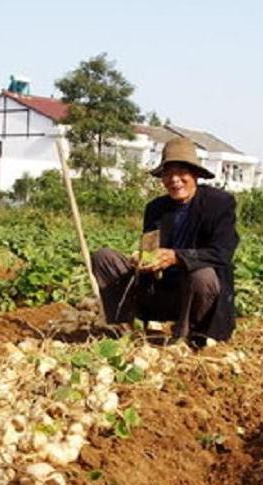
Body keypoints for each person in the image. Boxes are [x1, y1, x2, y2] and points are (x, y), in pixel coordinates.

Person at [91, 136, 239, 346]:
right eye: (168, 174)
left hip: (194, 295)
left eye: (181, 172)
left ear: (195, 175)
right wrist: (142, 260)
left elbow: (222, 253)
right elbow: (150, 248)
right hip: (158, 292)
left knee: (203, 275)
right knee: (104, 257)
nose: (174, 180)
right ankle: (123, 328)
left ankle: (185, 337)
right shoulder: (156, 208)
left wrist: (176, 257)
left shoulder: (219, 204)